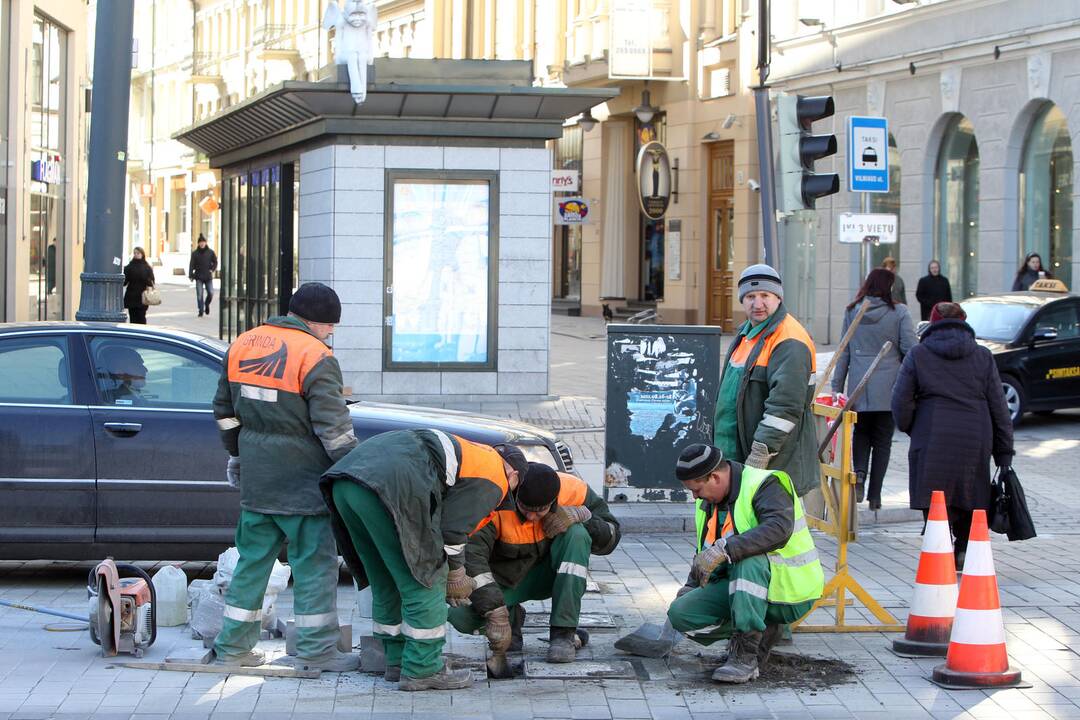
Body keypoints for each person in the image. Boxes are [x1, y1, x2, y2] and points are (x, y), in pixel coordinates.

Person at [211, 282, 359, 672]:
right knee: (314, 564)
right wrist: (354, 470)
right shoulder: (315, 355)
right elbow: (333, 428)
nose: (331, 334)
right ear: (316, 322)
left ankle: (233, 649)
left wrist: (237, 453)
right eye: (330, 327)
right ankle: (316, 651)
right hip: (304, 481)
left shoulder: (243, 343)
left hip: (258, 478)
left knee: (252, 562)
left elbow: (224, 410)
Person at [321, 430, 514, 691]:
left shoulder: (472, 453)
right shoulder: (495, 475)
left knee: (387, 581)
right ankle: (423, 668)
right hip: (388, 485)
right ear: (513, 474)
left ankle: (398, 661)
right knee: (427, 576)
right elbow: (452, 532)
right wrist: (455, 573)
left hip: (346, 482)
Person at [666, 443, 824, 684]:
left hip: (789, 591)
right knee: (681, 614)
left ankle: (746, 656)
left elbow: (778, 529)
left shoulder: (765, 485)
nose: (695, 497)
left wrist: (727, 549)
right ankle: (755, 630)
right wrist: (691, 585)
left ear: (715, 477)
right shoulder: (707, 503)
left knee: (746, 560)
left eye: (696, 489)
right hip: (742, 588)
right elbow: (706, 550)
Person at [448, 456, 621, 664]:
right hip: (509, 579)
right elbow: (473, 558)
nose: (531, 517)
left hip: (551, 574)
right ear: (516, 494)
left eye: (540, 511)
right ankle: (511, 620)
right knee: (460, 617)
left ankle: (563, 634)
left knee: (576, 534)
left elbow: (612, 537)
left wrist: (583, 518)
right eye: (525, 508)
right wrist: (495, 610)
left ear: (554, 501)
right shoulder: (495, 498)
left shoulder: (573, 490)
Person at [891, 302, 1015, 567]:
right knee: (970, 494)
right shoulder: (982, 356)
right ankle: (962, 549)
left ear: (933, 323)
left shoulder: (918, 354)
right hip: (974, 441)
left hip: (931, 438)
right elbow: (999, 408)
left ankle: (939, 551)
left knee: (935, 499)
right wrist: (1004, 452)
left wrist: (913, 427)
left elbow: (900, 403)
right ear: (964, 322)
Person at [714, 264, 819, 497]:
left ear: (778, 298)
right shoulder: (747, 333)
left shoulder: (789, 340)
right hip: (738, 460)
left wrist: (760, 452)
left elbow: (784, 408)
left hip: (772, 466)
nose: (758, 303)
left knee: (777, 530)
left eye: (765, 295)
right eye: (750, 296)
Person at [831, 269, 917, 510]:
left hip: (859, 384)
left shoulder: (852, 311)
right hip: (889, 386)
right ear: (889, 287)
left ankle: (859, 474)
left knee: (861, 435)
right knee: (882, 441)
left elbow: (844, 350)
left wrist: (837, 386)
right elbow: (909, 347)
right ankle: (875, 496)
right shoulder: (899, 313)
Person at [123, 247, 155, 325]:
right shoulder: (129, 267)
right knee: (133, 317)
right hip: (132, 296)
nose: (136, 255)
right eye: (135, 253)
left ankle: (141, 334)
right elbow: (125, 282)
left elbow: (151, 282)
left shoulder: (147, 267)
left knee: (141, 317)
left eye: (138, 253)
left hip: (142, 296)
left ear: (142, 254)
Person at [189, 233, 218, 318]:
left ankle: (207, 304)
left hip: (208, 277)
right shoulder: (195, 253)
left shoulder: (210, 252)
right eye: (200, 242)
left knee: (211, 293)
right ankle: (201, 310)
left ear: (205, 243)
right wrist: (191, 275)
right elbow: (191, 265)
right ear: (198, 243)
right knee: (199, 295)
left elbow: (215, 262)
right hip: (199, 277)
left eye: (203, 242)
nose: (202, 244)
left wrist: (212, 269)